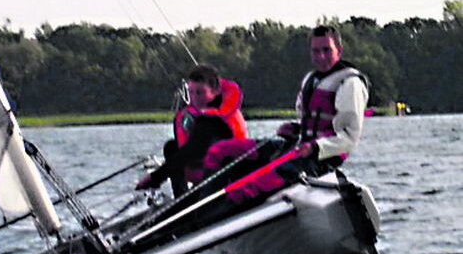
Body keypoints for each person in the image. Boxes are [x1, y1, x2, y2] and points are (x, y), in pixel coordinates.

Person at [203, 24, 370, 204]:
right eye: (316, 51)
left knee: (246, 188)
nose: (321, 56)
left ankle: (214, 213)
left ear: (339, 50)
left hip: (318, 161)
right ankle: (200, 204)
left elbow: (349, 138)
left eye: (326, 50)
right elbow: (313, 122)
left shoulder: (350, 84)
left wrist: (315, 148)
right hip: (295, 148)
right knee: (219, 151)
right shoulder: (311, 79)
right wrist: (295, 128)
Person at [136, 63, 248, 196]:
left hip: (228, 173)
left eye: (200, 92)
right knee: (171, 147)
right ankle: (182, 196)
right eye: (191, 92)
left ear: (216, 91)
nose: (195, 99)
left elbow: (193, 151)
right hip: (207, 168)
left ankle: (190, 200)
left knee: (179, 156)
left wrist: (156, 177)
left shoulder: (214, 119)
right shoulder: (203, 113)